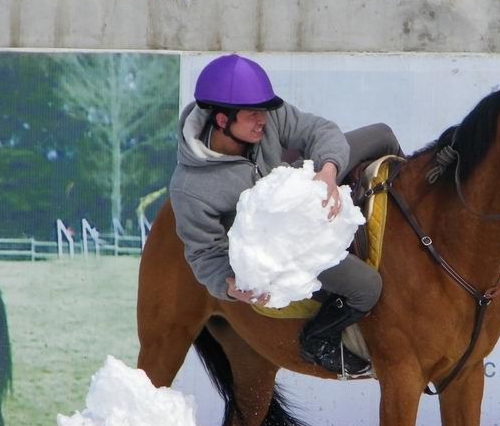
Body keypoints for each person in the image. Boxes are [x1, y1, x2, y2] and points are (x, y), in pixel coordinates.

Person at [170, 54, 403, 376]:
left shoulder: (266, 116)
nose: (262, 121)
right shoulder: (189, 188)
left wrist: (328, 171)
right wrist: (229, 287)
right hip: (284, 250)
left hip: (304, 187)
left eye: (264, 112)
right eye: (253, 115)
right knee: (367, 287)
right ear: (222, 120)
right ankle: (318, 338)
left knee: (382, 134)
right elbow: (204, 255)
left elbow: (320, 131)